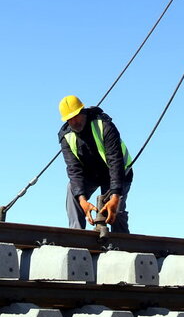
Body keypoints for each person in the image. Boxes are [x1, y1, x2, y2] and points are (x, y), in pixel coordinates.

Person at [57, 94, 133, 234]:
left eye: (77, 115)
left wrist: (115, 197)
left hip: (118, 173)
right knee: (72, 189)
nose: (74, 121)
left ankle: (121, 243)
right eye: (70, 119)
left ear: (83, 111)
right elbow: (74, 170)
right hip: (92, 175)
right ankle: (76, 235)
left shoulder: (104, 126)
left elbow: (115, 161)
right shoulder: (65, 136)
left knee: (116, 212)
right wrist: (83, 201)